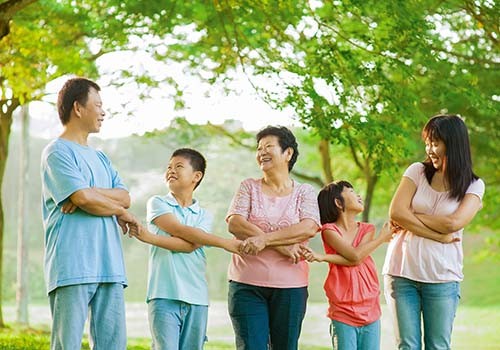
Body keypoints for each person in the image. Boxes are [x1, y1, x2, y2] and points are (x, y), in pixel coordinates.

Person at [41, 77, 138, 349]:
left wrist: (90, 192)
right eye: (98, 105)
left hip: (110, 265)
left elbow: (125, 197)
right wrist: (111, 206)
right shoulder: (56, 152)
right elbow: (84, 199)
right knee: (67, 344)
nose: (103, 112)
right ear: (78, 108)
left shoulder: (101, 158)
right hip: (72, 265)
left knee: (113, 345)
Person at [383, 114, 485, 350]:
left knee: (437, 346)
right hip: (401, 273)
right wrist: (438, 235)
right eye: (427, 142)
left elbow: (453, 224)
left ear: (454, 144)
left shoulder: (473, 185)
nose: (429, 149)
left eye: (435, 143)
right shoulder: (417, 171)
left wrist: (413, 216)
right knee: (407, 346)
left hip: (442, 278)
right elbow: (396, 212)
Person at [130, 148, 242, 350]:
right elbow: (178, 229)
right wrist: (225, 243)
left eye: (179, 167)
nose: (171, 171)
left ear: (196, 176)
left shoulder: (203, 214)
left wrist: (151, 238)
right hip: (163, 294)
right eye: (169, 167)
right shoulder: (157, 202)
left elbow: (191, 245)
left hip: (197, 297)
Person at [225, 125, 321, 350]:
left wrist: (265, 240)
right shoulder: (248, 186)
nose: (261, 152)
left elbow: (308, 227)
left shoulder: (304, 192)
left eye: (269, 146)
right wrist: (283, 246)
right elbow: (235, 223)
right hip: (246, 284)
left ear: (288, 153)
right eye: (259, 148)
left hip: (291, 287)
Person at [301, 180, 393, 350]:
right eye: (351, 191)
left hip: (369, 306)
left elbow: (354, 259)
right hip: (343, 310)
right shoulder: (329, 230)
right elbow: (355, 256)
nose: (358, 195)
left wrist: (323, 257)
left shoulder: (367, 229)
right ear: (338, 202)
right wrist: (382, 239)